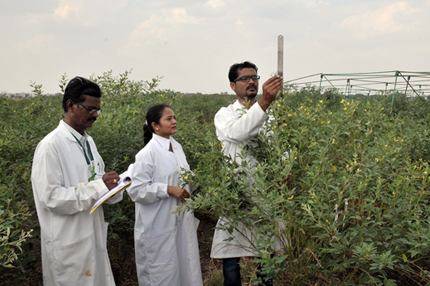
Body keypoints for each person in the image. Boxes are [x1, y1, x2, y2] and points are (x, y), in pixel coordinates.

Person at [31, 76, 123, 285]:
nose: (95, 115)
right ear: (71, 105)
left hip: (91, 238)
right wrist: (100, 186)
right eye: (90, 109)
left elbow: (96, 181)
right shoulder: (50, 146)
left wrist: (114, 188)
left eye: (97, 110)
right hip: (69, 245)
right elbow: (51, 197)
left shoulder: (88, 142)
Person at [210, 61, 284, 286]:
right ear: (233, 86)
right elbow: (238, 133)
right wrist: (264, 102)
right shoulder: (224, 115)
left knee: (267, 251)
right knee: (231, 253)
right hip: (237, 192)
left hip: (265, 192)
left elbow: (280, 146)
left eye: (255, 77)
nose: (252, 81)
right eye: (245, 78)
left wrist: (285, 168)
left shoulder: (269, 116)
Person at [127, 104, 203, 286]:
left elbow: (183, 180)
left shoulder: (177, 148)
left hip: (180, 221)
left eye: (174, 117)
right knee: (162, 275)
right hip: (158, 225)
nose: (174, 121)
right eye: (169, 119)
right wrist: (168, 189)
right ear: (155, 125)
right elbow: (136, 190)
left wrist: (195, 181)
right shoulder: (147, 154)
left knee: (186, 269)